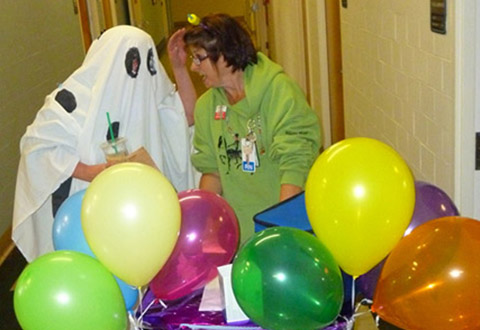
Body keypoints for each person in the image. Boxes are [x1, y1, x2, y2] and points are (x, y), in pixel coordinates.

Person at [12, 25, 198, 262]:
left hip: (143, 212)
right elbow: (36, 148)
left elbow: (186, 117)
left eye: (146, 60)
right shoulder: (72, 100)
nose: (138, 70)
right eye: (132, 62)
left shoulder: (149, 90)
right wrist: (93, 172)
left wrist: (179, 67)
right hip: (88, 218)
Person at [181, 13, 322, 243]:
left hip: (284, 225)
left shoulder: (279, 91)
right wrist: (205, 222)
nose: (193, 67)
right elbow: (212, 170)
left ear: (224, 54)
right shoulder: (207, 107)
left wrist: (279, 231)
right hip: (238, 233)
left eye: (199, 58)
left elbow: (294, 166)